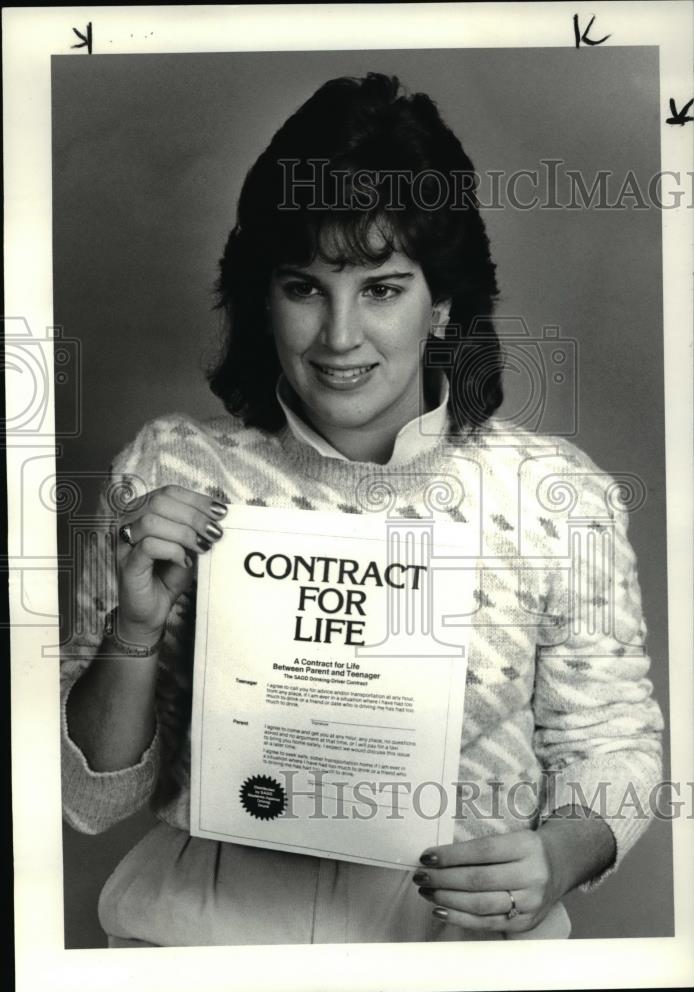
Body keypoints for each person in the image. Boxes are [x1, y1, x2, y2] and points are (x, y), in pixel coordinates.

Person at [61, 73, 665, 947]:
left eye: (381, 287)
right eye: (304, 286)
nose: (340, 337)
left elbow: (613, 743)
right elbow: (91, 800)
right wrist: (134, 631)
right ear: (262, 297)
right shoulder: (171, 470)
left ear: (444, 301)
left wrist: (565, 852)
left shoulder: (555, 497)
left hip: (458, 946)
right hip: (201, 939)